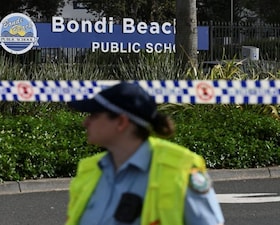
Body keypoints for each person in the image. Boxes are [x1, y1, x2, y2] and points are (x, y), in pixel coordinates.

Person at [65, 82, 224, 225]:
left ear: (121, 122)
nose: (85, 122)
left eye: (95, 115)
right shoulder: (89, 170)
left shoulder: (179, 170)